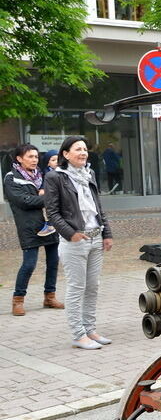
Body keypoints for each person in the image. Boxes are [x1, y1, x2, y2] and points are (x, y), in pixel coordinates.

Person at [43, 136, 113, 349]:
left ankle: (90, 330)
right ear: (65, 154)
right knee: (76, 287)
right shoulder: (56, 177)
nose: (83, 153)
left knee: (93, 286)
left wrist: (107, 233)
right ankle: (78, 334)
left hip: (96, 236)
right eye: (78, 149)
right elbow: (52, 212)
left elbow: (97, 206)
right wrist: (70, 233)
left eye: (85, 149)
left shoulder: (89, 173)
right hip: (75, 240)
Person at [3, 144, 64, 316]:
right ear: (19, 158)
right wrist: (48, 198)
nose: (34, 160)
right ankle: (18, 300)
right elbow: (23, 201)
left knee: (53, 262)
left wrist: (45, 198)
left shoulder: (43, 175)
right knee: (29, 264)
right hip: (29, 227)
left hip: (50, 224)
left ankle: (49, 296)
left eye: (36, 157)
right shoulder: (11, 178)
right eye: (30, 156)